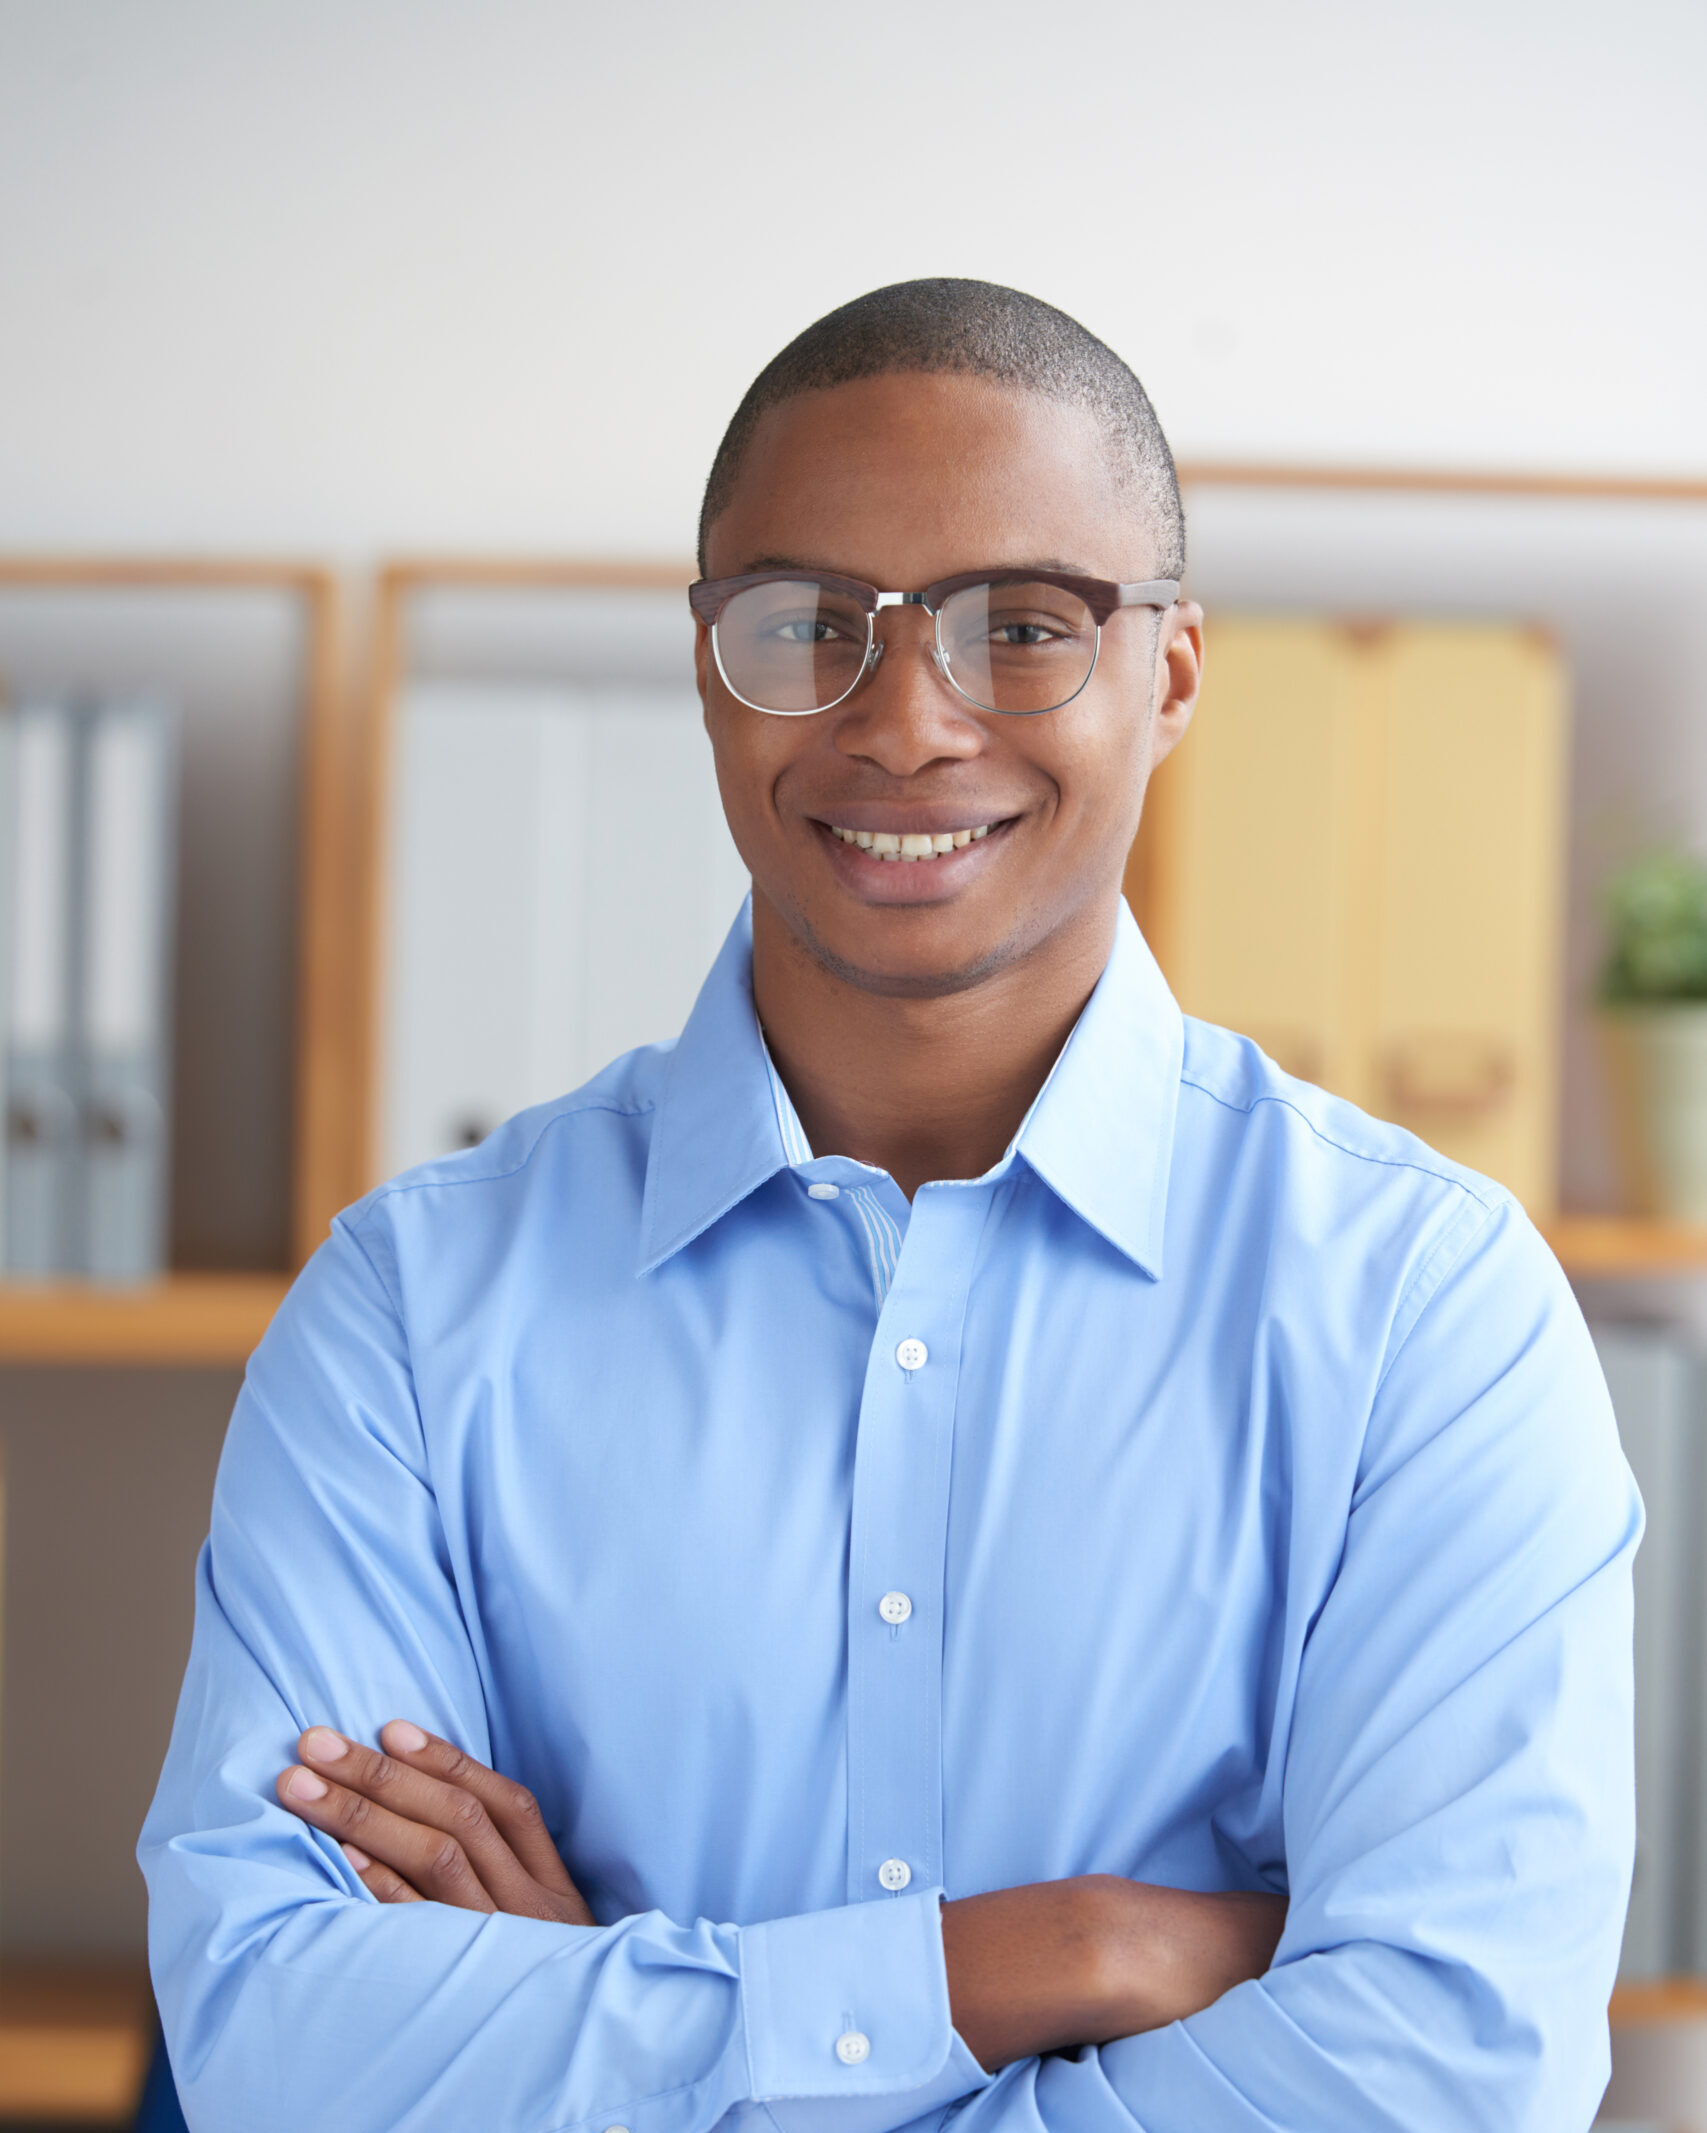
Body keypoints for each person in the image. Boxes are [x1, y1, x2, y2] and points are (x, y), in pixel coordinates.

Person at [142, 279, 1637, 2132]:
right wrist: (1050, 1951)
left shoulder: (1432, 1309)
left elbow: (1448, 2076)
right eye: (806, 625)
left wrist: (611, 2022)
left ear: (1170, 672)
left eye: (1027, 624)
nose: (908, 720)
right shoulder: (409, 1310)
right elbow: (279, 2044)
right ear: (707, 667)